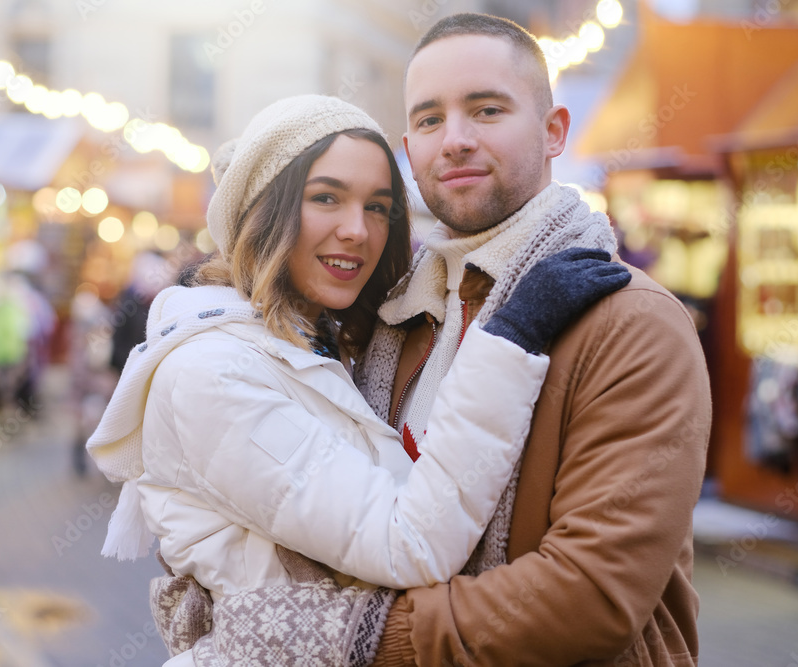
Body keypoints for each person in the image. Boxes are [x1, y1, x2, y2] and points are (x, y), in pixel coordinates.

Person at [86, 94, 630, 665]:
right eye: (326, 198)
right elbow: (409, 543)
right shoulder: (213, 373)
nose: (358, 230)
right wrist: (510, 339)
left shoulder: (314, 344)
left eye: (378, 207)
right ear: (261, 211)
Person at [362, 14, 713, 666]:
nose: (457, 140)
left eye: (487, 109)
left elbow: (588, 595)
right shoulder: (391, 323)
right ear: (409, 150)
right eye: (431, 120)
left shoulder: (630, 321)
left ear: (554, 133)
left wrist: (354, 631)